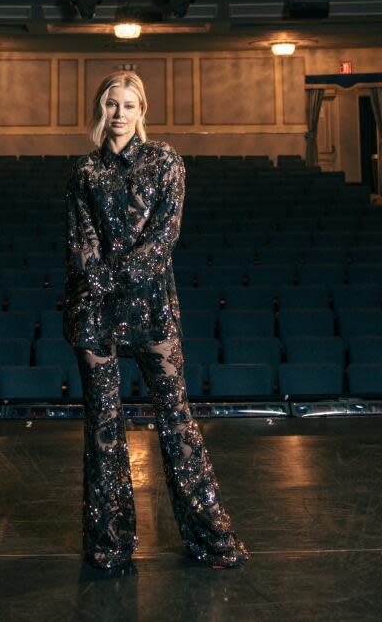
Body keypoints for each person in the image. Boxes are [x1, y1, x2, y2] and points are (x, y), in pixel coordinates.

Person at [62, 70, 250, 575]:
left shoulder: (166, 161)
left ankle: (210, 539)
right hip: (95, 313)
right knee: (103, 428)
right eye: (110, 104)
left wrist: (113, 278)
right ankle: (110, 543)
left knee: (176, 422)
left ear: (142, 111)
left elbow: (163, 240)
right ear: (100, 110)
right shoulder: (84, 172)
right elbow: (81, 246)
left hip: (151, 310)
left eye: (128, 105)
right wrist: (99, 283)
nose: (118, 114)